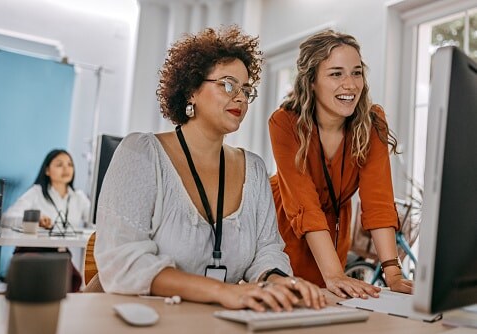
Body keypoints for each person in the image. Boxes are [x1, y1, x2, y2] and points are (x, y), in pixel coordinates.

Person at [94, 25, 326, 312]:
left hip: (217, 323)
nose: (240, 97)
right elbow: (125, 262)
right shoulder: (141, 153)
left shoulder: (253, 168)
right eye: (228, 85)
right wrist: (223, 292)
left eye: (246, 90)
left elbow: (267, 251)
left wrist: (278, 282)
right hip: (138, 320)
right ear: (191, 90)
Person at [268, 30, 413, 299]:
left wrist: (393, 272)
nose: (350, 84)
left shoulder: (372, 123)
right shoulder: (284, 122)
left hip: (334, 227)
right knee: (292, 304)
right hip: (286, 222)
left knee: (333, 303)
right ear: (311, 81)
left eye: (356, 73)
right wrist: (334, 273)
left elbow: (378, 201)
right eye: (336, 74)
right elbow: (304, 204)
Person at [2, 149, 90, 292]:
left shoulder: (79, 197)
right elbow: (7, 219)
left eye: (70, 164)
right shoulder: (36, 192)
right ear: (47, 170)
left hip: (60, 255)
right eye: (59, 164)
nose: (66, 169)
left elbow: (96, 222)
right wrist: (34, 219)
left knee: (71, 281)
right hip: (31, 251)